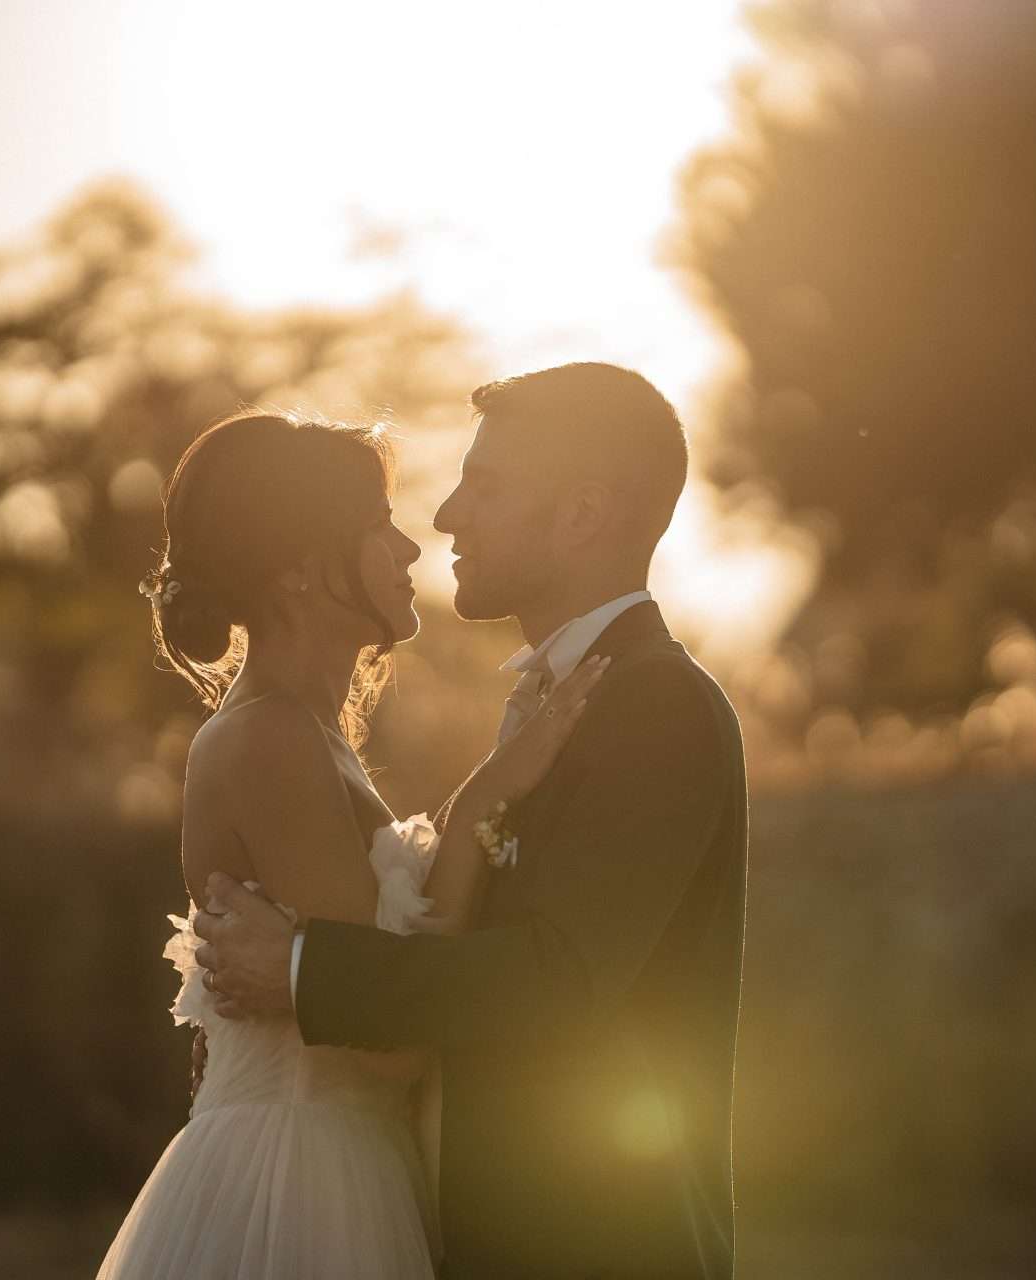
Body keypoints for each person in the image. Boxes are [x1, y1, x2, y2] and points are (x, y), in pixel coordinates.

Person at [194, 363, 749, 1279]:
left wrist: (300, 968)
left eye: (484, 485)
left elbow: (558, 976)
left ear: (581, 515)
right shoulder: (554, 701)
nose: (446, 517)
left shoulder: (658, 704)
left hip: (596, 1249)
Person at [95, 407, 606, 1279]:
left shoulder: (309, 734)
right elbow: (388, 1042)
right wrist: (488, 793)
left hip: (337, 1158)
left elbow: (364, 975)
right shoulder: (270, 740)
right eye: (379, 527)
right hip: (297, 1181)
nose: (412, 551)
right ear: (297, 569)